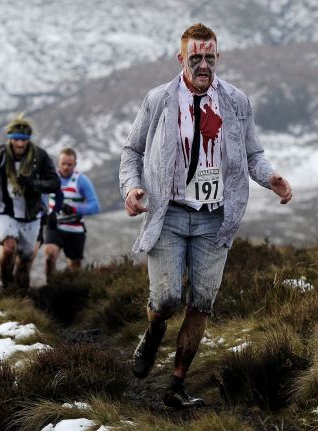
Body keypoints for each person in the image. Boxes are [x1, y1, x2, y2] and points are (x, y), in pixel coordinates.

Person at [119, 23, 293, 409]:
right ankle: (153, 328)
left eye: (209, 58)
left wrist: (271, 177)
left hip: (215, 218)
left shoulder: (235, 102)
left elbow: (252, 155)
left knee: (201, 302)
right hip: (170, 215)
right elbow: (131, 151)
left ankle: (177, 385)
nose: (203, 65)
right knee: (165, 299)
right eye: (195, 58)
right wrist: (131, 189)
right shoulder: (158, 100)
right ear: (181, 58)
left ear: (218, 57)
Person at [0, 113, 60, 293]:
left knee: (25, 259)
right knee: (8, 248)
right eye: (16, 139)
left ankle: (22, 293)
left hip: (31, 213)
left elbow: (54, 183)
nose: (20, 144)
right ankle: (6, 288)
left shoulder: (40, 156)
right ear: (10, 138)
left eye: (24, 139)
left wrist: (33, 183)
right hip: (5, 210)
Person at [43, 148, 100, 279]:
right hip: (54, 225)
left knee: (75, 268)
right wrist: (44, 213)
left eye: (69, 164)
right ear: (58, 163)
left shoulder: (81, 180)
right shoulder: (51, 178)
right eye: (63, 163)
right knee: (49, 255)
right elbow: (42, 197)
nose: (66, 167)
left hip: (75, 227)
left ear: (75, 165)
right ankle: (50, 288)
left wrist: (74, 209)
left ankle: (67, 289)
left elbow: (95, 206)